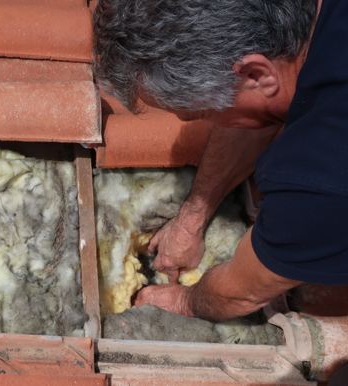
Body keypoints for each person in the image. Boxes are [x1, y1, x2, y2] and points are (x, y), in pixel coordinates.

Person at [93, 0, 348, 322]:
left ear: (255, 73)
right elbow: (255, 106)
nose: (212, 126)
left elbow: (243, 291)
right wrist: (192, 218)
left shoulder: (321, 175)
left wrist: (187, 301)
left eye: (203, 115)